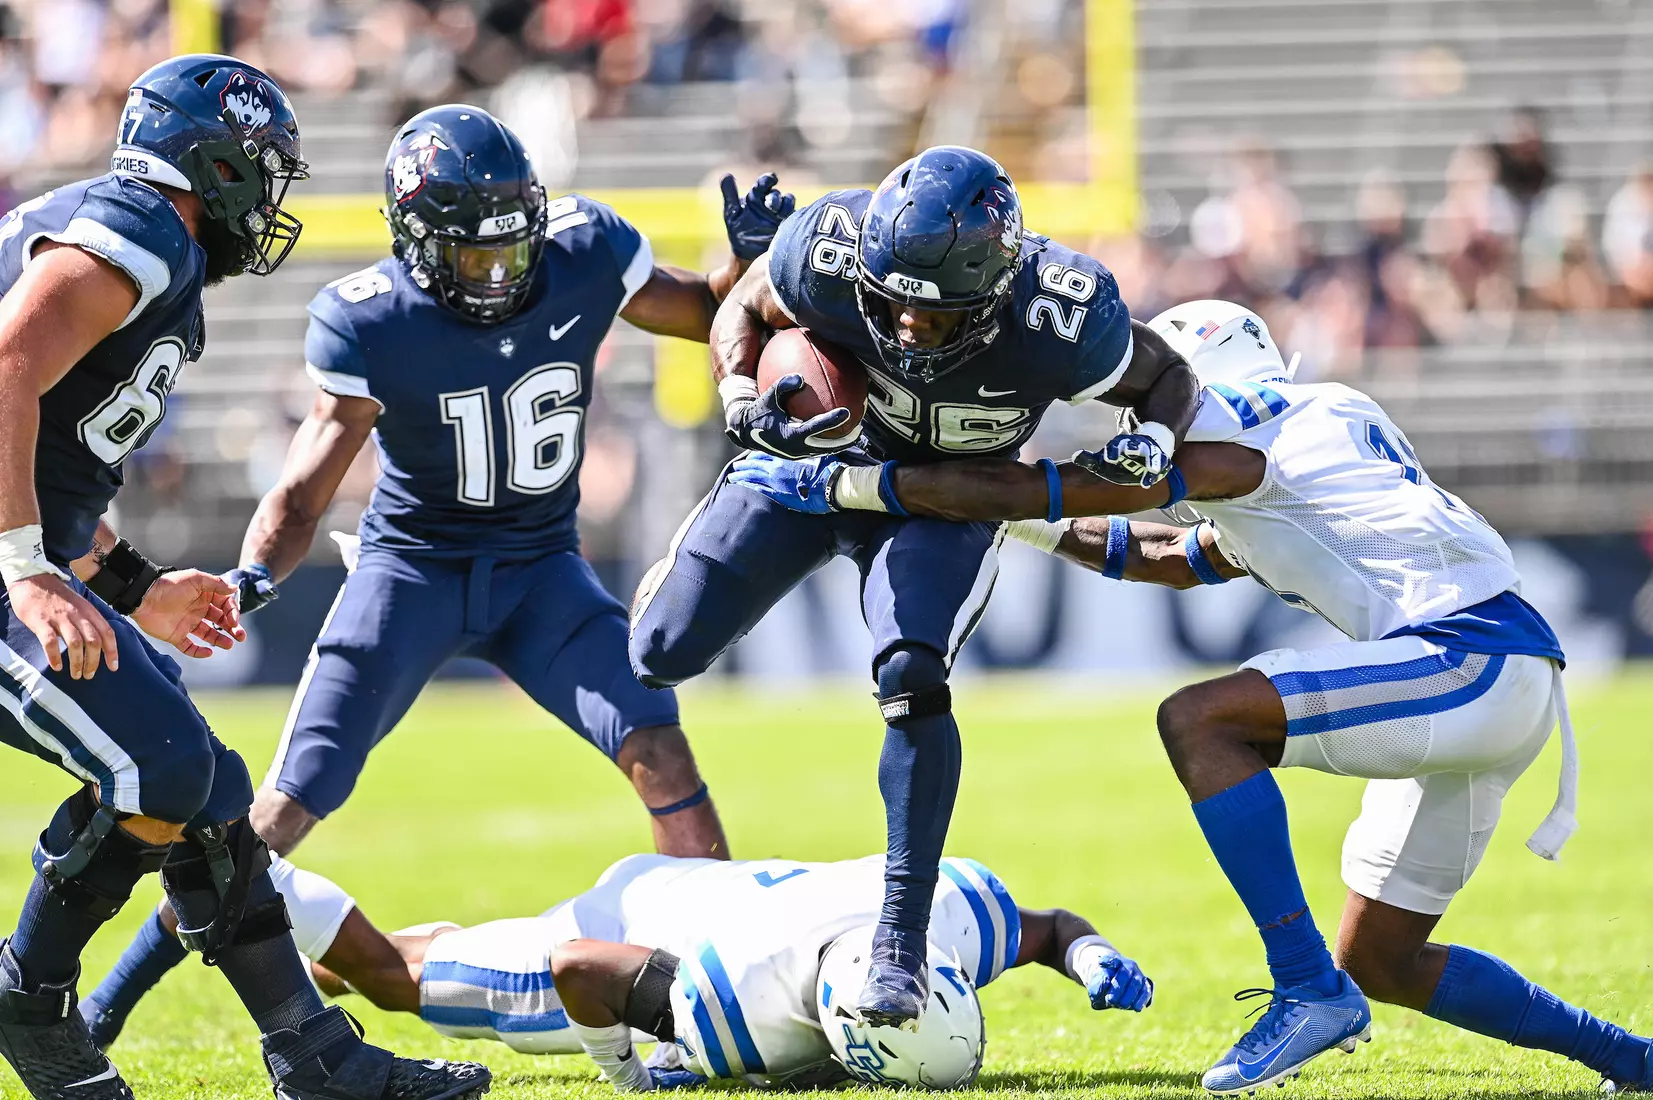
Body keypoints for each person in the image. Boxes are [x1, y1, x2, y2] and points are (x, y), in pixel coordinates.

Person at [730, 298, 1653, 1095]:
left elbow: (1102, 484)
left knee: (1200, 720)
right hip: (1501, 672)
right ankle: (1635, 1060)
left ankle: (1301, 988)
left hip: (1468, 660)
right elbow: (1168, 557)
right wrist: (1018, 519)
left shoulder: (1242, 423)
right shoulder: (1304, 438)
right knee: (1381, 960)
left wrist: (869, 483)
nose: (1149, 412)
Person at [80, 103, 794, 1049]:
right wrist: (254, 576)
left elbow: (705, 314)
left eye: (511, 248)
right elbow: (304, 487)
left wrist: (746, 271)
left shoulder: (584, 250)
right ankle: (104, 1005)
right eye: (472, 253)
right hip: (410, 574)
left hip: (543, 570)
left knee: (661, 750)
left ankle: (718, 976)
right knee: (275, 815)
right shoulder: (371, 317)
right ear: (415, 241)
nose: (498, 274)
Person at [0, 55, 488, 1100]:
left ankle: (310, 1051)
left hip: (20, 551)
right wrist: (28, 569)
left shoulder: (131, 239)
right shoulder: (141, 228)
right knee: (167, 771)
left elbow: (49, 458)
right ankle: (28, 997)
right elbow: (3, 367)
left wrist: (128, 583)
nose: (267, 198)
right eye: (260, 170)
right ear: (209, 159)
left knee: (212, 786)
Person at [628, 145, 1199, 1026]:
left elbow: (1165, 373)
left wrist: (1156, 442)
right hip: (812, 472)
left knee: (911, 673)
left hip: (942, 503)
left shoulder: (1058, 311)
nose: (900, 327)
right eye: (884, 301)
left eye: (928, 315)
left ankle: (900, 934)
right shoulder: (830, 245)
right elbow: (747, 300)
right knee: (659, 651)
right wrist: (741, 392)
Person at [87, 850, 1154, 1090]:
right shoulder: (741, 1008)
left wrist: (1090, 952)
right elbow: (580, 966)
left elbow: (1050, 924)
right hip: (650, 943)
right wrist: (628, 1067)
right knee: (391, 978)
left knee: (410, 957)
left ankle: (254, 911)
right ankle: (231, 863)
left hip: (689, 893)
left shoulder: (948, 916)